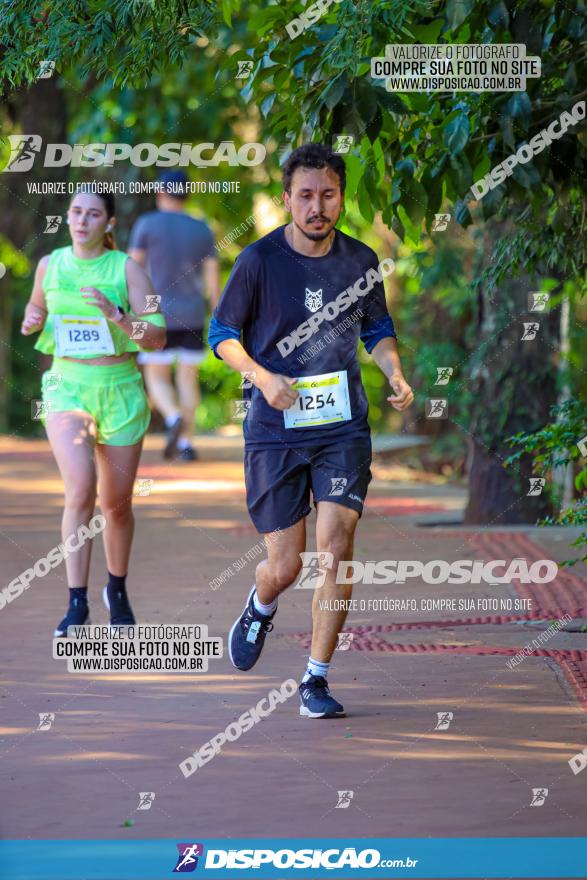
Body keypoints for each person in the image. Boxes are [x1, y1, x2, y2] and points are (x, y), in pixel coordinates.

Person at [208, 143, 414, 718]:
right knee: (286, 566)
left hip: (341, 425)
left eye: (327, 194)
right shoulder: (257, 262)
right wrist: (260, 375)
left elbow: (378, 330)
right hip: (274, 428)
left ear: (341, 196)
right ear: (286, 200)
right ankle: (260, 605)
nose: (317, 206)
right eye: (305, 195)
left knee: (338, 546)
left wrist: (394, 370)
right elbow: (220, 333)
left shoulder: (361, 261)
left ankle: (315, 680)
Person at [21, 188, 166, 636]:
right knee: (80, 490)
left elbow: (158, 335)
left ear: (109, 224)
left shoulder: (128, 269)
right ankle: (76, 602)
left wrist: (118, 316)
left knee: (115, 505)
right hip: (67, 387)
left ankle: (116, 588)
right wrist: (31, 318)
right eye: (75, 212)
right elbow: (38, 307)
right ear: (67, 218)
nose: (82, 221)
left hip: (119, 388)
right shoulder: (50, 265)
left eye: (93, 214)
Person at [128, 171, 220, 461]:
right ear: (187, 194)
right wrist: (218, 315)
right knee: (187, 379)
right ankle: (186, 444)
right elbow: (213, 282)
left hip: (156, 315)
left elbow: (132, 269)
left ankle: (172, 417)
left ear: (159, 192)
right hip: (192, 314)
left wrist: (131, 311)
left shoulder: (146, 224)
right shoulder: (202, 229)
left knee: (156, 376)